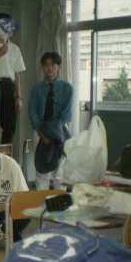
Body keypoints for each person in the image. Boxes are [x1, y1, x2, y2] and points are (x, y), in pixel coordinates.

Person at [29, 52, 73, 190]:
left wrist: (55, 133)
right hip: (40, 130)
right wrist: (42, 133)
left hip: (60, 131)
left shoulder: (67, 88)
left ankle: (59, 200)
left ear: (58, 67)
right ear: (42, 67)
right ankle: (41, 200)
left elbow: (66, 114)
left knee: (59, 172)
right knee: (42, 171)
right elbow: (33, 112)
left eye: (53, 65)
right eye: (46, 65)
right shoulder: (36, 88)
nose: (50, 69)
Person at [0, 13, 26, 145]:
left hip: (8, 87)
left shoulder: (15, 48)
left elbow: (17, 74)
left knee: (9, 125)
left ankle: (6, 154)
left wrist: (18, 97)